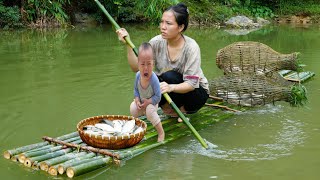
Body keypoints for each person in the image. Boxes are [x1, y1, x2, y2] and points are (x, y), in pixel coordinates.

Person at [117, 3, 209, 122]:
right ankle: (167, 108)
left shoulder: (191, 47)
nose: (163, 27)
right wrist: (128, 45)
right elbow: (136, 68)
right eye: (162, 22)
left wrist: (170, 87)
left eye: (168, 23)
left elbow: (191, 84)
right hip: (171, 90)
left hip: (195, 94)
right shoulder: (156, 42)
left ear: (180, 27)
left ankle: (183, 110)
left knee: (169, 76)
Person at [130, 42, 165, 142]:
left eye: (149, 64)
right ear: (138, 63)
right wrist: (137, 100)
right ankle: (138, 128)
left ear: (153, 64)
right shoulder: (137, 76)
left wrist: (148, 102)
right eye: (142, 64)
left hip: (152, 104)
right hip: (141, 103)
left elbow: (158, 97)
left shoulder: (154, 79)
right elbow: (136, 90)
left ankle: (161, 132)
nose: (146, 68)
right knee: (133, 107)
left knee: (150, 110)